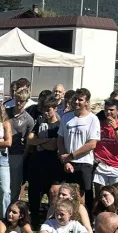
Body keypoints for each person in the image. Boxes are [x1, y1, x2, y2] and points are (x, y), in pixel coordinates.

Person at [58, 89, 101, 204]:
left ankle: (79, 220)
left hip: (84, 162)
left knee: (79, 196)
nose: (76, 102)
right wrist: (65, 160)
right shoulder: (66, 117)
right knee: (65, 194)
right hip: (68, 162)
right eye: (75, 99)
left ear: (86, 102)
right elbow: (60, 139)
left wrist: (71, 155)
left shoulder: (93, 119)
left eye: (80, 100)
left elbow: (92, 144)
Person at [26, 96, 62, 224]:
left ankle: (51, 220)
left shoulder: (58, 126)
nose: (46, 112)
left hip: (52, 165)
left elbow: (54, 146)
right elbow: (30, 139)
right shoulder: (40, 123)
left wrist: (38, 142)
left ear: (55, 109)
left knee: (53, 194)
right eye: (44, 110)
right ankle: (34, 218)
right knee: (35, 192)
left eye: (49, 110)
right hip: (37, 164)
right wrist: (44, 141)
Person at [94, 98, 118, 199]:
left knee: (116, 198)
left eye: (111, 110)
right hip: (100, 166)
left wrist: (115, 128)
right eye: (106, 109)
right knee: (100, 197)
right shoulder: (98, 124)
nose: (108, 112)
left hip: (117, 165)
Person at [6, 84, 37, 204]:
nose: (19, 103)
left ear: (26, 101)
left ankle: (12, 206)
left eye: (22, 101)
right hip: (2, 151)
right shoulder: (6, 113)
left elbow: (29, 140)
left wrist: (24, 156)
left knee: (14, 183)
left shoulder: (28, 119)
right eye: (17, 100)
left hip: (17, 153)